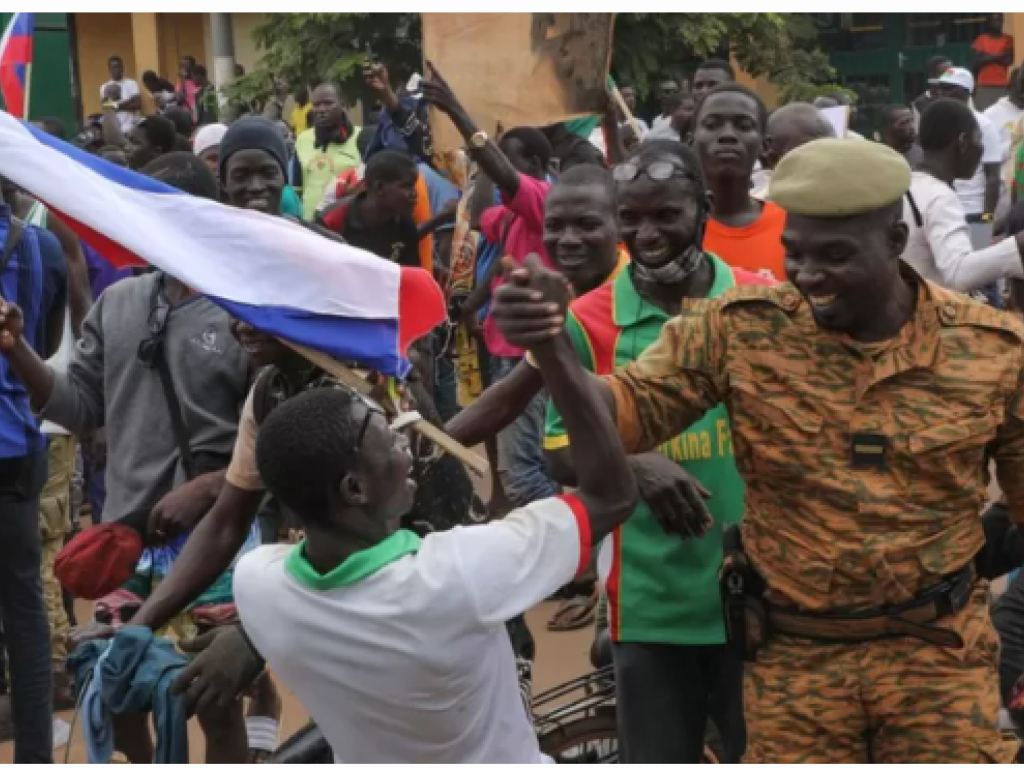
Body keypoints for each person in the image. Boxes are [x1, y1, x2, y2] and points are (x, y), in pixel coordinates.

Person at [491, 137, 1024, 763]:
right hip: (795, 669)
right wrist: (554, 349)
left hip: (938, 665)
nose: (807, 277)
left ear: (894, 239)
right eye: (794, 254)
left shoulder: (990, 352)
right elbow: (616, 416)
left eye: (834, 256)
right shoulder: (739, 329)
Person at [229, 246, 638, 762]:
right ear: (355, 490)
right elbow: (612, 495)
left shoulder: (259, 584)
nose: (410, 441)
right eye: (390, 437)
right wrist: (552, 345)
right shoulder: (460, 574)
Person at [542, 139, 772, 761]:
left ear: (701, 209)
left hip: (765, 596)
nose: (646, 233)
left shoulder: (757, 299)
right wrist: (634, 465)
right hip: (648, 606)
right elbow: (560, 453)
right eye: (630, 216)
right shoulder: (584, 318)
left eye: (665, 214)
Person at [422, 61, 562, 512]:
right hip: (506, 349)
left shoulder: (544, 201)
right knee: (524, 462)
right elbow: (481, 216)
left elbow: (503, 180)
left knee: (524, 475)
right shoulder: (515, 213)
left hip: (536, 352)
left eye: (511, 156)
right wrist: (479, 157)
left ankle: (576, 553)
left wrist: (461, 117)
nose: (502, 166)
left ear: (537, 166)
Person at [0, 169, 68, 760]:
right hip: (15, 449)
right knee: (23, 609)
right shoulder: (39, 244)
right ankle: (36, 756)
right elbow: (40, 349)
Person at [903, 97, 1024, 294]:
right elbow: (958, 273)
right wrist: (1017, 245)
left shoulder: (910, 184)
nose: (982, 149)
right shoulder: (940, 197)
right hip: (930, 314)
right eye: (979, 139)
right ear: (962, 142)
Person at [695, 82, 787, 281]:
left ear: (765, 145)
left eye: (744, 126)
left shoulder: (791, 229)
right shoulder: (670, 231)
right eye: (711, 125)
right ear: (691, 140)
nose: (727, 135)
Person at [319, 150, 428, 268]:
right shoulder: (331, 221)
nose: (415, 194)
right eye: (407, 186)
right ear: (379, 187)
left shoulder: (405, 225)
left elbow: (408, 276)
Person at [933, 67, 1003, 250]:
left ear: (967, 91)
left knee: (980, 266)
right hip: (943, 209)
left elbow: (993, 176)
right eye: (940, 87)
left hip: (974, 211)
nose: (942, 93)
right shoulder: (936, 123)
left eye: (949, 88)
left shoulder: (984, 125)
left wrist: (987, 218)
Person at [293, 83, 362, 220]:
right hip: (310, 226)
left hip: (347, 224)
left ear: (342, 105)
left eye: (328, 103)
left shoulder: (360, 138)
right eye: (316, 105)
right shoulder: (303, 140)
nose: (321, 109)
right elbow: (298, 189)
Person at [753, 103, 835, 200]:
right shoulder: (760, 205)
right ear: (773, 158)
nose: (825, 160)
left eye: (831, 149)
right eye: (809, 153)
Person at [973, 13, 1015, 111]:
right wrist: (1000, 55)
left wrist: (987, 56)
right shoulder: (981, 39)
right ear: (989, 22)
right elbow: (977, 62)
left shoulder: (1008, 39)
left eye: (1000, 20)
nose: (998, 23)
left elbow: (1008, 61)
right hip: (984, 85)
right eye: (995, 20)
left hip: (1003, 85)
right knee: (983, 113)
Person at [100, 55, 141, 135]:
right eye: (114, 67)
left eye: (118, 67)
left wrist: (115, 105)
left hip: (132, 127)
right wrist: (129, 101)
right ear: (109, 70)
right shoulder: (104, 87)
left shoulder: (132, 83)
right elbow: (106, 107)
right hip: (115, 129)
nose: (117, 70)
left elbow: (138, 104)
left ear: (122, 68)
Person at [913, 55, 954, 129]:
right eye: (946, 73)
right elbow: (918, 130)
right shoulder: (919, 103)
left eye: (951, 72)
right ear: (932, 75)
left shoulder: (959, 95)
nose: (951, 75)